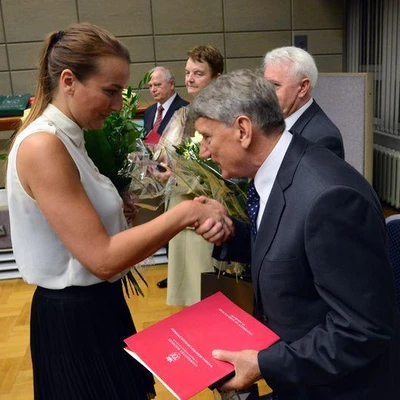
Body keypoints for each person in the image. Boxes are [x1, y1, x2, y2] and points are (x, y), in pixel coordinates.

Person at [6, 23, 231, 400]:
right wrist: (185, 214)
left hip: (97, 307)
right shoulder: (44, 145)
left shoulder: (70, 135)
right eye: (110, 92)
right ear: (68, 81)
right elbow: (103, 259)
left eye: (121, 93)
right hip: (74, 320)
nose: (117, 105)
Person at [192, 69, 400, 399]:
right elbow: (291, 252)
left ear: (243, 130)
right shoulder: (280, 170)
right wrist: (230, 236)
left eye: (207, 137)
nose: (204, 151)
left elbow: (363, 329)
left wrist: (265, 364)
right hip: (304, 376)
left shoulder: (330, 198)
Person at [154, 44, 224, 305]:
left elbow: (223, 172)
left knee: (206, 292)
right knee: (186, 294)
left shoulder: (224, 117)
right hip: (178, 210)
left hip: (205, 211)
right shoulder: (182, 114)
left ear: (216, 78)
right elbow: (163, 157)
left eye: (199, 73)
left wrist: (178, 174)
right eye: (187, 72)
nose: (190, 79)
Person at [263, 46, 345, 159]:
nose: (265, 93)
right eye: (264, 85)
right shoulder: (269, 122)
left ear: (302, 88)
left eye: (275, 85)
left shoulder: (323, 138)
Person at [143, 66, 188, 141]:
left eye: (157, 85)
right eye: (150, 86)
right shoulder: (149, 111)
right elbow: (149, 141)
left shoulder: (186, 109)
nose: (152, 90)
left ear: (171, 84)